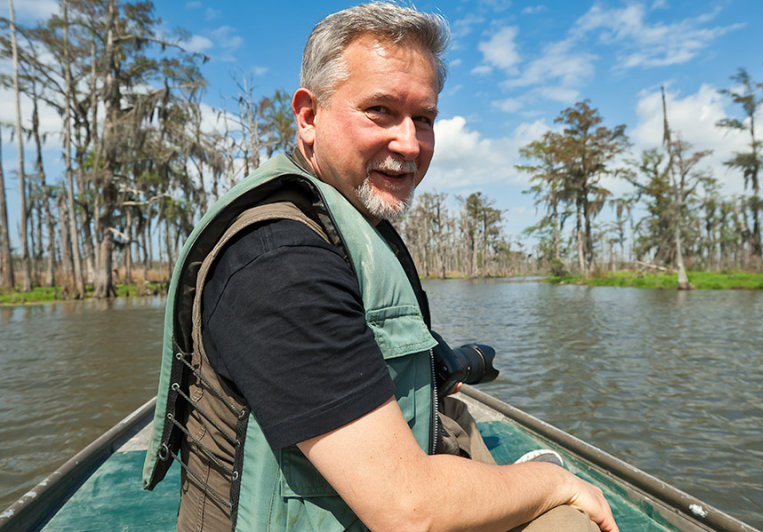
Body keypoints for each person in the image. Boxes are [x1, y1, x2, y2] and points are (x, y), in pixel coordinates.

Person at [143, 3, 619, 531]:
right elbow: (409, 510)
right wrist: (555, 485)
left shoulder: (345, 222)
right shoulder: (279, 260)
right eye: (380, 111)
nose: (410, 143)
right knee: (573, 521)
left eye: (424, 118)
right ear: (308, 116)